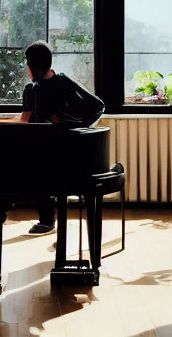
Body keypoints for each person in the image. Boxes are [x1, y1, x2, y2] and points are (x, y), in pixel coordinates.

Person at [19, 40, 105, 234]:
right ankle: (47, 219)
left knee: (38, 164)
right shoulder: (39, 88)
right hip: (61, 150)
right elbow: (97, 106)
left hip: (61, 152)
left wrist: (74, 128)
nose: (27, 68)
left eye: (28, 64)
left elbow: (97, 106)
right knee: (39, 161)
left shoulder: (42, 87)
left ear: (34, 66)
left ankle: (46, 219)